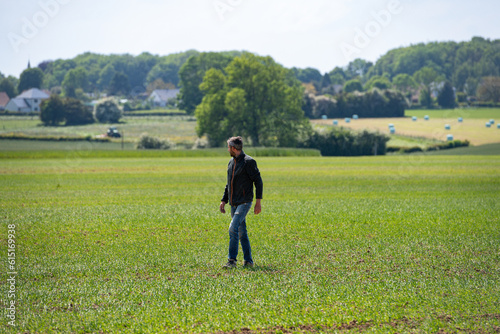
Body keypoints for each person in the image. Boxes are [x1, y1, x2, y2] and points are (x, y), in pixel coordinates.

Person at [220, 136, 263, 268]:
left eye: (229, 147)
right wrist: (224, 200)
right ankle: (248, 261)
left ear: (233, 148)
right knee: (241, 232)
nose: (228, 150)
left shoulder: (249, 162)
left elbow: (258, 182)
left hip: (245, 202)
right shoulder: (231, 163)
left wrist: (258, 202)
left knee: (233, 229)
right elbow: (229, 184)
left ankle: (231, 261)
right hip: (234, 203)